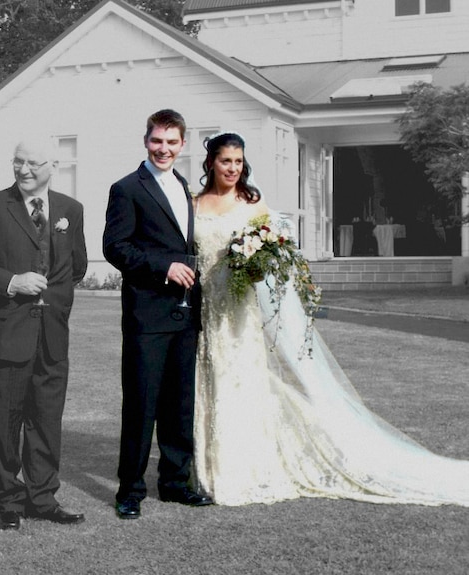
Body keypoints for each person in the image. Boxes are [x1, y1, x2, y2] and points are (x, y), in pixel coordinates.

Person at [192, 131, 469, 506]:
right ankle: (208, 466)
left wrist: (257, 261)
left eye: (239, 162)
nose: (233, 168)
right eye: (226, 161)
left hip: (240, 312)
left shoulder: (252, 203)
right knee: (208, 381)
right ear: (211, 163)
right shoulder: (194, 204)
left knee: (241, 381)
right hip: (206, 309)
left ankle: (245, 467)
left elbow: (276, 253)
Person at [0, 138, 88, 530]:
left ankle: (43, 496)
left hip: (52, 334)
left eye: (33, 163)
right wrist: (11, 281)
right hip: (6, 331)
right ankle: (7, 499)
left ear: (53, 165)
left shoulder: (71, 210)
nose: (24, 170)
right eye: (18, 162)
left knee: (47, 418)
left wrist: (58, 301)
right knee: (4, 420)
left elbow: (77, 267)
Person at [103, 109, 214, 521]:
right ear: (145, 141)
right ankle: (130, 490)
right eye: (156, 141)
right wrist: (163, 266)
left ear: (182, 144)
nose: (163, 148)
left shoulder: (184, 186)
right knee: (141, 405)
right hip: (147, 313)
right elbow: (115, 247)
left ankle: (174, 483)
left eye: (171, 142)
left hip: (185, 313)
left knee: (179, 403)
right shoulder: (127, 188)